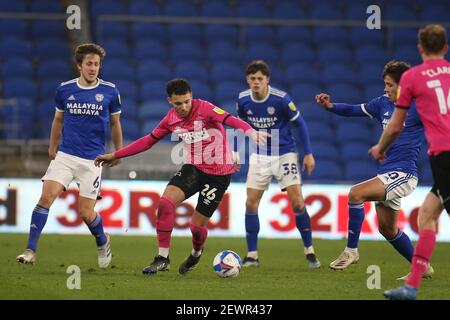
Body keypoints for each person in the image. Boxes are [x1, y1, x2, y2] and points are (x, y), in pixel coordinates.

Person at [95, 78, 269, 275]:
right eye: (178, 103)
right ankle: (162, 258)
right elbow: (147, 141)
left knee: (195, 227)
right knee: (165, 203)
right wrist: (116, 154)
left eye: (187, 101)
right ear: (170, 101)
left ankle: (196, 253)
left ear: (191, 97)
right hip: (194, 168)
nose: (184, 106)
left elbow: (229, 119)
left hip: (219, 175)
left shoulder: (205, 108)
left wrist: (249, 131)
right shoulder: (170, 119)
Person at [316, 61, 433, 279]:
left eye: (390, 85)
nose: (385, 89)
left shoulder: (420, 107)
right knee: (387, 230)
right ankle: (422, 267)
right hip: (388, 172)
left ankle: (351, 251)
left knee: (355, 193)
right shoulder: (382, 104)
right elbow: (354, 110)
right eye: (385, 84)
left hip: (405, 174)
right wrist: (330, 107)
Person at [16, 43, 123, 268]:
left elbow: (115, 123)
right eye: (89, 64)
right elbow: (58, 120)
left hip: (93, 160)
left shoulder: (110, 91)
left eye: (97, 64)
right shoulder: (64, 90)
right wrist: (52, 146)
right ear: (79, 66)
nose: (93, 68)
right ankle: (30, 250)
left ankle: (102, 241)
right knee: (46, 198)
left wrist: (117, 152)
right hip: (66, 154)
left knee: (85, 213)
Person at [369, 24, 450, 300]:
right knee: (426, 215)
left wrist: (381, 147)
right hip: (442, 157)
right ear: (445, 48)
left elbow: (395, 125)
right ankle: (412, 287)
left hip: (445, 154)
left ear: (420, 48)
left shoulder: (413, 78)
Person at [235, 60, 320, 269]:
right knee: (250, 204)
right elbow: (239, 125)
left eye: (260, 79)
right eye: (252, 78)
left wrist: (308, 153)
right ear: (247, 80)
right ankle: (252, 256)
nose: (256, 82)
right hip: (260, 156)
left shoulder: (281, 99)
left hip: (285, 154)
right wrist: (235, 151)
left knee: (298, 203)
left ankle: (309, 252)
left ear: (267, 80)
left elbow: (300, 124)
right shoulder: (243, 99)